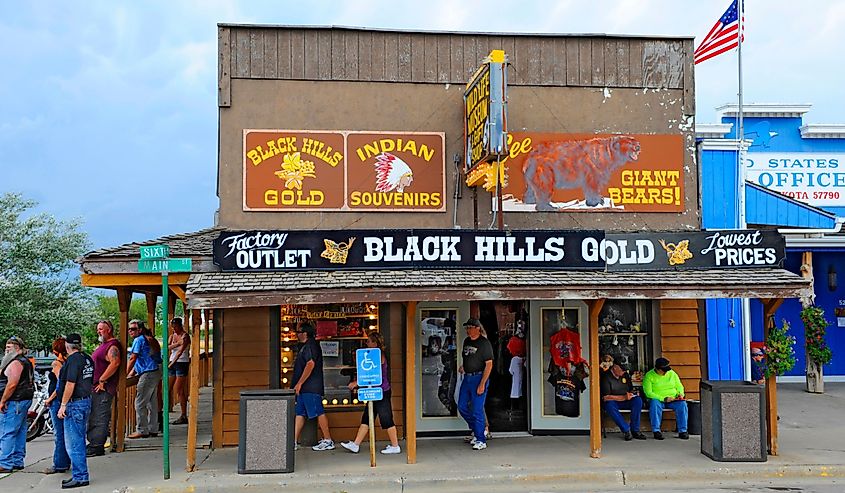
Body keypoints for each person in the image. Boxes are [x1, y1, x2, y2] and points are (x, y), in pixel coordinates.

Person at [340, 331, 401, 455]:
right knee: (367, 418)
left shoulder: (378, 356)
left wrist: (356, 383)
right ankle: (356, 444)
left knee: (386, 418)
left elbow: (370, 373)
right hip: (374, 391)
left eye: (368, 341)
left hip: (381, 391)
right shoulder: (376, 354)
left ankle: (395, 446)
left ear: (375, 342)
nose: (366, 343)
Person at [57, 333, 94, 488]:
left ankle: (80, 476)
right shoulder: (87, 358)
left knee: (74, 443)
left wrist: (63, 404)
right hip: (85, 401)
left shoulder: (72, 360)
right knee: (78, 439)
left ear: (67, 346)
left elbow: (70, 384)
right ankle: (80, 474)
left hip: (74, 404)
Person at [292, 321, 334, 451]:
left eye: (298, 332)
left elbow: (310, 364)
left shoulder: (310, 346)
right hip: (304, 388)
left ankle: (328, 440)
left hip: (310, 386)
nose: (296, 335)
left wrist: (299, 383)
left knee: (318, 412)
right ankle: (293, 441)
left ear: (304, 333)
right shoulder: (305, 346)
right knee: (300, 413)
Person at [86, 320, 122, 457]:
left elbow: (115, 362)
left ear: (109, 330)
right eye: (98, 329)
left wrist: (102, 379)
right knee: (94, 415)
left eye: (101, 329)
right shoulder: (104, 345)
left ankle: (97, 446)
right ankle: (93, 443)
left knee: (99, 416)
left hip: (103, 389)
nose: (99, 331)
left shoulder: (112, 346)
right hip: (95, 387)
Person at [458, 318, 493, 451]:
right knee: (462, 406)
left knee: (477, 409)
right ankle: (478, 429)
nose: (468, 330)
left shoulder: (484, 343)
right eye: (467, 328)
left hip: (479, 377)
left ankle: (480, 439)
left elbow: (489, 365)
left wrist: (482, 383)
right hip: (467, 378)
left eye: (471, 327)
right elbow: (468, 358)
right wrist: (463, 366)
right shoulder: (466, 341)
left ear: (477, 328)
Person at [0, 336, 34, 474]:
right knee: (19, 431)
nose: (7, 349)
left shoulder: (16, 362)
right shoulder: (23, 361)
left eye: (10, 346)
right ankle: (17, 460)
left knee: (7, 431)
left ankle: (5, 462)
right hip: (22, 399)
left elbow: (12, 384)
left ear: (18, 348)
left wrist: (3, 400)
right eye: (6, 346)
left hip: (15, 400)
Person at [127, 320, 161, 439]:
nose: (130, 331)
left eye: (133, 329)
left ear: (140, 330)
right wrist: (132, 372)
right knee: (152, 402)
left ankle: (142, 429)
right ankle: (153, 428)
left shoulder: (138, 339)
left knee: (139, 403)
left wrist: (124, 374)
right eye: (129, 329)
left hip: (147, 373)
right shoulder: (146, 338)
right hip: (154, 371)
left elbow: (133, 358)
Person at [642, 357, 688, 440]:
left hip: (673, 399)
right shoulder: (649, 376)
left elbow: (679, 386)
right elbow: (648, 393)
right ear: (657, 368)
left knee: (682, 405)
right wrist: (663, 398)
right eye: (663, 370)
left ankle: (683, 431)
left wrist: (680, 394)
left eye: (667, 370)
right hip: (659, 400)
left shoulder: (672, 373)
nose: (665, 372)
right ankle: (656, 431)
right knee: (654, 404)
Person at [42, 338, 70, 475]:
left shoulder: (57, 364)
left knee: (59, 434)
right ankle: (65, 460)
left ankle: (59, 464)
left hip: (57, 401)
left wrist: (49, 399)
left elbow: (60, 384)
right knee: (66, 433)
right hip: (65, 400)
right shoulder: (68, 362)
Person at [601, 363, 646, 441]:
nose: (624, 372)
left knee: (638, 400)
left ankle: (635, 430)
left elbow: (630, 389)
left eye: (625, 370)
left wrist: (633, 393)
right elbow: (606, 397)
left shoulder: (625, 375)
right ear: (615, 367)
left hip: (626, 400)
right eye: (622, 370)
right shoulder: (606, 377)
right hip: (612, 401)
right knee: (609, 406)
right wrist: (623, 397)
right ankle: (626, 430)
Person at [167, 317, 191, 425]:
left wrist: (172, 363)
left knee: (179, 389)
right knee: (167, 387)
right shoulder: (172, 336)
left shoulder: (185, 336)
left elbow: (180, 352)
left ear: (180, 325)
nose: (174, 328)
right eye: (173, 326)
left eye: (176, 326)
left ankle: (183, 414)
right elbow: (168, 347)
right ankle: (165, 411)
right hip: (172, 362)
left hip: (181, 363)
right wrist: (177, 344)